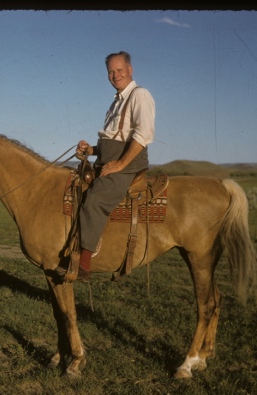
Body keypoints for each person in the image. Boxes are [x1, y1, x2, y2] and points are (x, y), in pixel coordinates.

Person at [69, 51, 155, 281]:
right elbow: (114, 141)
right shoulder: (115, 103)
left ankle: (83, 263)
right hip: (110, 160)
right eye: (111, 71)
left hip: (129, 165)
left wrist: (120, 164)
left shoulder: (140, 95)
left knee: (96, 199)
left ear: (130, 70)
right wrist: (90, 151)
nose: (115, 75)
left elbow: (143, 133)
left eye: (119, 70)